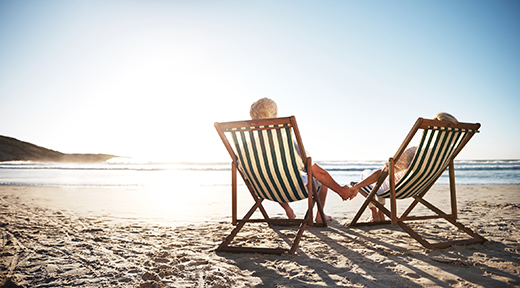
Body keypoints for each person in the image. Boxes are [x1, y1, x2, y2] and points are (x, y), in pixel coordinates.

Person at [249, 98, 355, 222]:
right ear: (275, 116)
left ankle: (288, 210)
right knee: (320, 180)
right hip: (294, 190)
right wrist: (341, 190)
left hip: (265, 191)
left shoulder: (245, 149)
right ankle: (320, 216)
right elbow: (318, 174)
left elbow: (248, 176)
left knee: (270, 179)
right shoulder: (288, 145)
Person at [350, 112, 459, 222]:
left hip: (395, 188)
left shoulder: (415, 151)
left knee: (368, 173)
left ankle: (375, 215)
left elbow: (381, 174)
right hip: (416, 188)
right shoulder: (448, 153)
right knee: (381, 179)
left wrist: (356, 187)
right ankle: (381, 213)